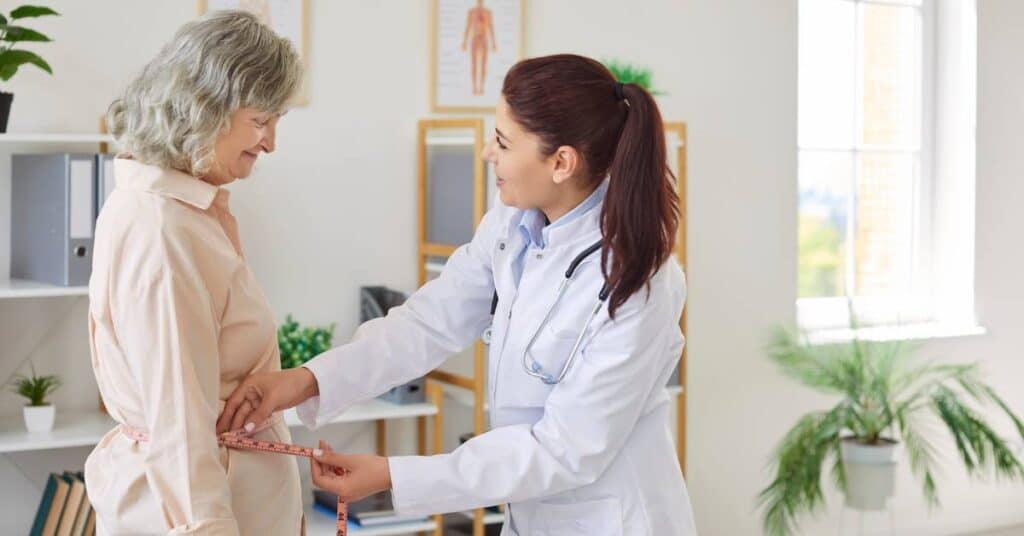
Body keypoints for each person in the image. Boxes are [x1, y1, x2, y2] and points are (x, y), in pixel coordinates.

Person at [219, 53, 697, 535]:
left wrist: (394, 476)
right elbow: (430, 320)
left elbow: (564, 450)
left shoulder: (640, 284)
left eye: (504, 142)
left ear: (561, 162)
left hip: (614, 520)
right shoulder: (513, 223)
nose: (488, 153)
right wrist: (305, 380)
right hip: (530, 516)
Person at [84, 11, 304, 535]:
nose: (271, 142)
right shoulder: (162, 229)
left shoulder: (187, 211)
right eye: (261, 120)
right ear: (207, 107)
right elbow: (178, 419)